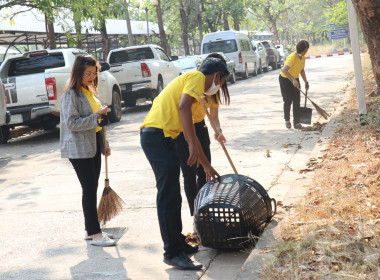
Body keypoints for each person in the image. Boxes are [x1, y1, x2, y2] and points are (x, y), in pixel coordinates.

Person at [140, 57, 230, 270]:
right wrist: (189, 143)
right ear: (216, 75)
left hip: (164, 136)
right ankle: (172, 252)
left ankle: (177, 242)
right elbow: (183, 108)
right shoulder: (197, 77)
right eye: (222, 81)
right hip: (155, 136)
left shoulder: (195, 84)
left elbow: (193, 131)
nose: (220, 86)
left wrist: (206, 165)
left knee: (174, 195)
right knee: (168, 195)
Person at [60, 55, 115, 247]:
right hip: (79, 149)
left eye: (94, 73)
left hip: (93, 147)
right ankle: (95, 234)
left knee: (91, 188)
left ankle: (89, 230)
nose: (92, 77)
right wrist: (96, 117)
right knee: (89, 190)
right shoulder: (70, 95)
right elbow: (72, 124)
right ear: (78, 73)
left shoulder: (88, 91)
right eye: (87, 74)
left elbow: (97, 123)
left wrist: (104, 144)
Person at [174, 53, 228, 240]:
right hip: (184, 128)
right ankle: (195, 217)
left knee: (205, 173)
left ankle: (205, 212)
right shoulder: (195, 81)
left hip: (201, 128)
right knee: (189, 173)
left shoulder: (213, 90)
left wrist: (218, 131)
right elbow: (183, 106)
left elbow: (213, 116)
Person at [279, 40, 310, 129]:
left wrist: (306, 82)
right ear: (301, 49)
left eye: (307, 50)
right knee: (288, 100)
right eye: (305, 50)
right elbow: (284, 70)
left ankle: (296, 122)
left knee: (297, 101)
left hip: (295, 79)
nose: (306, 52)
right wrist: (293, 80)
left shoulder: (303, 58)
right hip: (285, 79)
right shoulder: (292, 57)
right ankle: (287, 120)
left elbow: (301, 70)